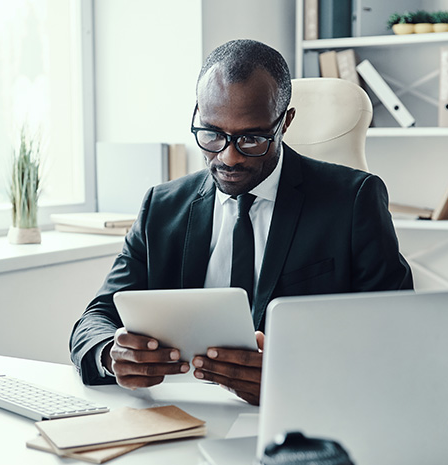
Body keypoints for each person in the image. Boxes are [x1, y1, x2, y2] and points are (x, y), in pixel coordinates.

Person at [69, 39, 413, 406]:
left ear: (285, 122)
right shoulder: (161, 207)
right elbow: (96, 318)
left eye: (251, 138)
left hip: (307, 416)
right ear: (198, 115)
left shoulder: (353, 201)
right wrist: (112, 355)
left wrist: (292, 377)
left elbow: (397, 335)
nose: (228, 157)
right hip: (185, 417)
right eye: (212, 133)